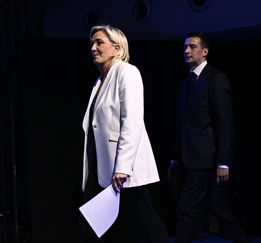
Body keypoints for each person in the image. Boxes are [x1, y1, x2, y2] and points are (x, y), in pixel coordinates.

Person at [80, 25, 170, 243]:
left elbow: (132, 120)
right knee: (121, 225)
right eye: (92, 43)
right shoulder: (100, 81)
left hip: (125, 169)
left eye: (99, 42)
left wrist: (122, 166)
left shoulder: (127, 72)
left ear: (116, 47)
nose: (93, 47)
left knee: (145, 219)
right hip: (105, 168)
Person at [167, 32, 247, 243]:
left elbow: (225, 124)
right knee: (215, 206)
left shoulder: (215, 78)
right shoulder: (185, 82)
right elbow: (181, 123)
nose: (186, 51)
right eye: (185, 47)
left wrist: (224, 162)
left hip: (206, 158)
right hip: (187, 157)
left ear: (205, 51)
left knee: (186, 207)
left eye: (192, 47)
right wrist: (175, 158)